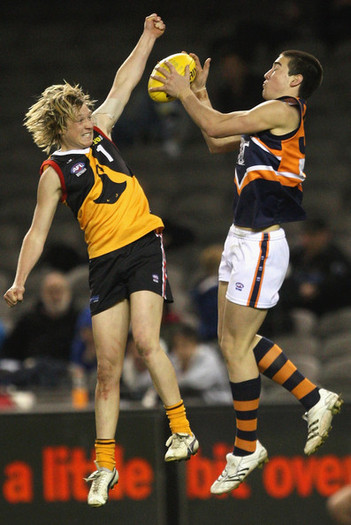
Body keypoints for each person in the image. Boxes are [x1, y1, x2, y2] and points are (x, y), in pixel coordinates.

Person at [3, 14, 198, 508]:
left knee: (146, 340)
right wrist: (21, 279)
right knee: (107, 368)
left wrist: (149, 38)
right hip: (104, 263)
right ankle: (105, 466)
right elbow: (37, 231)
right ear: (61, 127)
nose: (91, 118)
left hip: (141, 245)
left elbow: (125, 80)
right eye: (82, 117)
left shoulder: (104, 130)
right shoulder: (53, 172)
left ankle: (182, 429)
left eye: (90, 112)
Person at [151, 48, 343, 493]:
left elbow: (215, 125)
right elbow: (216, 138)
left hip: (261, 242)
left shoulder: (282, 110)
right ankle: (314, 398)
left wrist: (182, 93)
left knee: (236, 346)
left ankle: (246, 448)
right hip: (240, 238)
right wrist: (198, 92)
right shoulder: (266, 115)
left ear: (295, 82)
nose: (268, 70)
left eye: (277, 67)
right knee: (233, 342)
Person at [280, 217, 351, 317]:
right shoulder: (296, 255)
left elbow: (342, 283)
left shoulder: (335, 257)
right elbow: (283, 279)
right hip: (297, 307)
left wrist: (318, 288)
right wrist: (298, 289)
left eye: (313, 235)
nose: (308, 239)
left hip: (329, 311)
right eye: (306, 234)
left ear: (325, 235)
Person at [2, 270, 78, 363]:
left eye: (59, 291)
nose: (55, 297)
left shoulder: (78, 320)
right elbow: (9, 353)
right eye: (51, 292)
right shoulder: (28, 320)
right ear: (42, 294)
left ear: (68, 293)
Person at [169, 323, 231, 405]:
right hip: (196, 405)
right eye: (177, 346)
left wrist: (169, 383)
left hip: (221, 405)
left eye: (184, 345)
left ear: (194, 344)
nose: (180, 351)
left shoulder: (207, 355)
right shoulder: (175, 358)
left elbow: (194, 382)